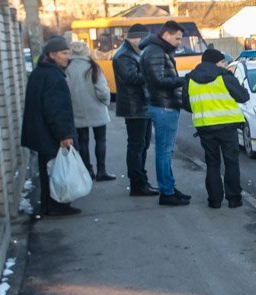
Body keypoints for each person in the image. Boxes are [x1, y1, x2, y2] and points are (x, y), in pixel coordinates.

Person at [182, 48, 249, 208]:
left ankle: (214, 200)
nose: (224, 65)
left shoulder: (190, 79)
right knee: (231, 163)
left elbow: (187, 105)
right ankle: (234, 199)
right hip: (228, 127)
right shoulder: (224, 76)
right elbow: (243, 97)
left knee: (212, 163)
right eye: (222, 62)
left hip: (205, 127)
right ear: (216, 62)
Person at [20, 36, 80, 216]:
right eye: (64, 53)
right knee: (57, 170)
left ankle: (48, 205)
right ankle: (58, 205)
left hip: (41, 133)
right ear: (52, 55)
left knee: (48, 169)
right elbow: (56, 109)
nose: (68, 57)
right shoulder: (53, 76)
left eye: (68, 52)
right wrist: (64, 135)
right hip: (51, 134)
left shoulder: (39, 73)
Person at [141, 19, 190, 207]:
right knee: (164, 151)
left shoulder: (157, 50)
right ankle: (167, 193)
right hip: (164, 106)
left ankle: (169, 188)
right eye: (177, 38)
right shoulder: (156, 51)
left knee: (166, 151)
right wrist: (182, 80)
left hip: (164, 105)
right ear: (166, 35)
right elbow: (158, 80)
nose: (179, 42)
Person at [113, 23, 158, 196]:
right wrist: (152, 72)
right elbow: (131, 78)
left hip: (141, 105)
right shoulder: (124, 55)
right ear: (136, 39)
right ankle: (137, 184)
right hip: (134, 107)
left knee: (142, 145)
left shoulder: (132, 52)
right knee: (136, 146)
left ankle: (141, 181)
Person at [65, 38, 114, 182]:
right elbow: (102, 90)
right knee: (100, 140)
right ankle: (101, 171)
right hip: (97, 109)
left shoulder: (66, 68)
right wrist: (106, 102)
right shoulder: (93, 67)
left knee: (82, 141)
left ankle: (88, 171)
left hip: (77, 110)